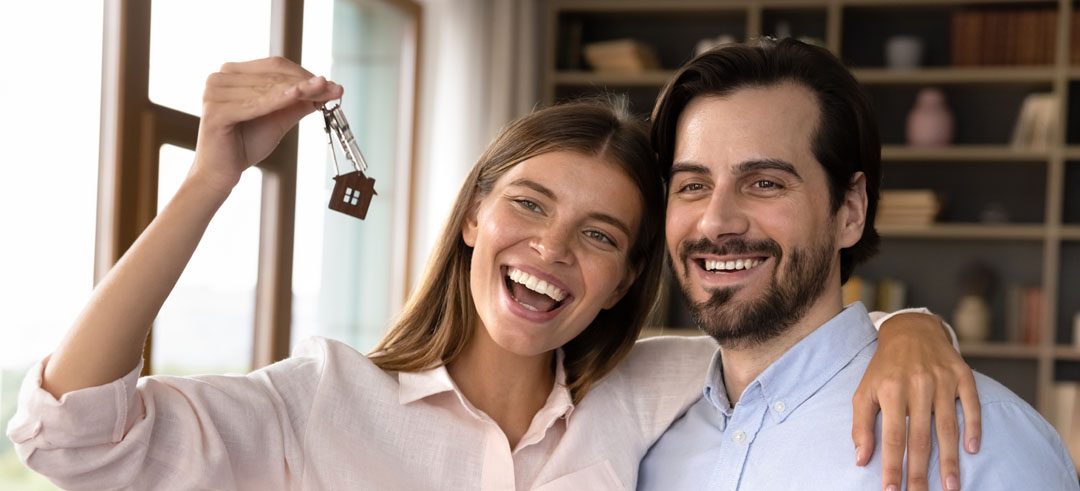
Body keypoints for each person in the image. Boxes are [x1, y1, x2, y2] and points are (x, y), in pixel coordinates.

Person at [8, 57, 972, 490]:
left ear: (629, 273)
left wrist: (911, 325)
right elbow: (70, 437)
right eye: (528, 205)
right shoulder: (317, 403)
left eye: (601, 236)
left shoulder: (655, 389)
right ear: (473, 215)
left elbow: (789, 342)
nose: (551, 250)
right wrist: (211, 177)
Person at [637, 38, 1078, 491]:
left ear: (850, 210)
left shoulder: (984, 443)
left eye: (765, 182)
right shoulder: (641, 443)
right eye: (692, 185)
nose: (716, 221)